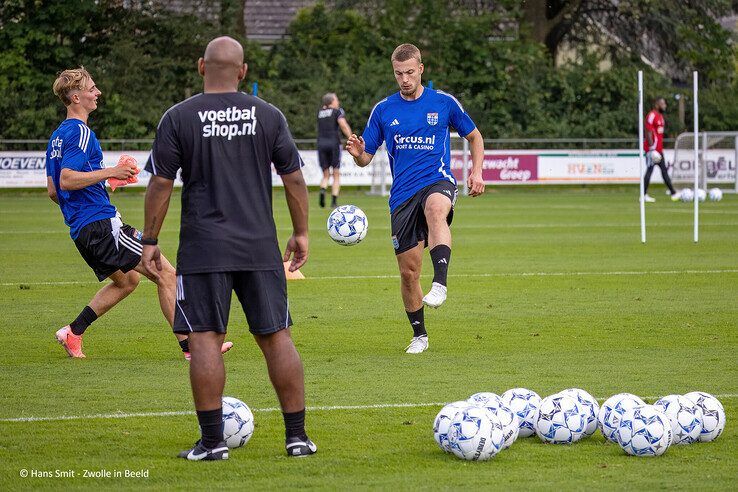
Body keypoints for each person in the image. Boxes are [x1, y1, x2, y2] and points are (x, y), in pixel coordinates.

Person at [142, 36, 316, 460]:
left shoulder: (178, 117)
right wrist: (301, 232)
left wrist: (148, 240)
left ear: (202, 66)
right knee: (277, 337)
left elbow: (160, 184)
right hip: (259, 247)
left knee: (204, 340)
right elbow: (294, 178)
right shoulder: (269, 115)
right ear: (242, 71)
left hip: (204, 249)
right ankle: (297, 438)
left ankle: (213, 443)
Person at [46, 67, 233, 360]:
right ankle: (191, 348)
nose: (97, 93)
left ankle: (73, 332)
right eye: (92, 89)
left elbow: (54, 191)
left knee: (127, 281)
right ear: (75, 96)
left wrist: (101, 186)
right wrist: (112, 172)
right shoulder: (80, 131)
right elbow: (67, 179)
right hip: (101, 225)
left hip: (83, 229)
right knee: (167, 273)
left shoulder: (57, 137)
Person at [346, 43, 485, 354]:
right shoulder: (384, 110)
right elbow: (366, 156)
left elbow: (475, 137)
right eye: (399, 74)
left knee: (437, 209)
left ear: (421, 69)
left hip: (437, 181)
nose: (405, 79)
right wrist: (357, 154)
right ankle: (419, 335)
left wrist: (476, 172)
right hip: (402, 197)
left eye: (410, 72)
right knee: (409, 273)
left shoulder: (444, 103)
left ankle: (441, 282)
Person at [317, 92, 352, 208]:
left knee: (326, 174)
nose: (338, 102)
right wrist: (351, 138)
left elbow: (325, 110)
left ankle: (322, 189)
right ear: (332, 101)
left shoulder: (320, 113)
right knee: (336, 173)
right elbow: (343, 125)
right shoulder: (338, 112)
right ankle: (334, 201)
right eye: (336, 99)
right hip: (333, 144)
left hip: (321, 144)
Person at [643, 97, 679, 202]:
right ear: (657, 104)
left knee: (663, 171)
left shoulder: (660, 116)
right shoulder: (652, 115)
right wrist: (651, 149)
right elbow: (648, 131)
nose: (665, 106)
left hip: (659, 150)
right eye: (662, 104)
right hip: (652, 150)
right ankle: (643, 195)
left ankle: (673, 192)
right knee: (650, 170)